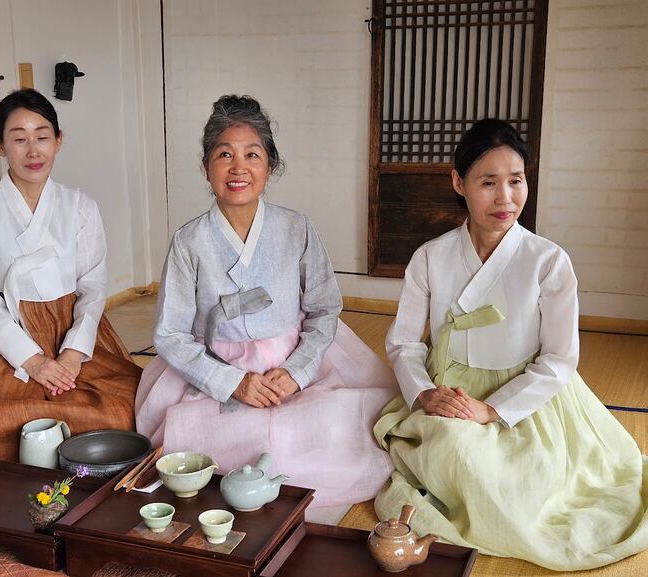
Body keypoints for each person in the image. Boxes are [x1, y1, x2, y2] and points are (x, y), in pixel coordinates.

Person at [373, 118, 648, 570]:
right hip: (450, 391)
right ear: (459, 183)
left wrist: (493, 410)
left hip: (527, 397)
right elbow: (404, 342)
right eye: (488, 182)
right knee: (456, 450)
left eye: (516, 181)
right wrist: (425, 393)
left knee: (523, 485)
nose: (506, 198)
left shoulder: (548, 260)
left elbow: (560, 359)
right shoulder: (431, 256)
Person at [135, 95, 397, 508]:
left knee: (339, 428)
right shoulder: (189, 241)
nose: (238, 168)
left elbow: (324, 308)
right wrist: (233, 383)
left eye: (252, 154)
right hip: (214, 368)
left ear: (269, 167)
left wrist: (296, 372)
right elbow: (169, 334)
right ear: (206, 168)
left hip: (291, 360)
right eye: (224, 154)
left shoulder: (297, 228)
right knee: (200, 448)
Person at [0, 89, 141, 466]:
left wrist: (72, 355)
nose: (33, 150)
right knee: (12, 421)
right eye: (19, 139)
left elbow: (92, 285)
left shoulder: (80, 206)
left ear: (59, 141)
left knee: (120, 411)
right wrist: (34, 362)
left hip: (71, 328)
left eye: (42, 136)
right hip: (3, 335)